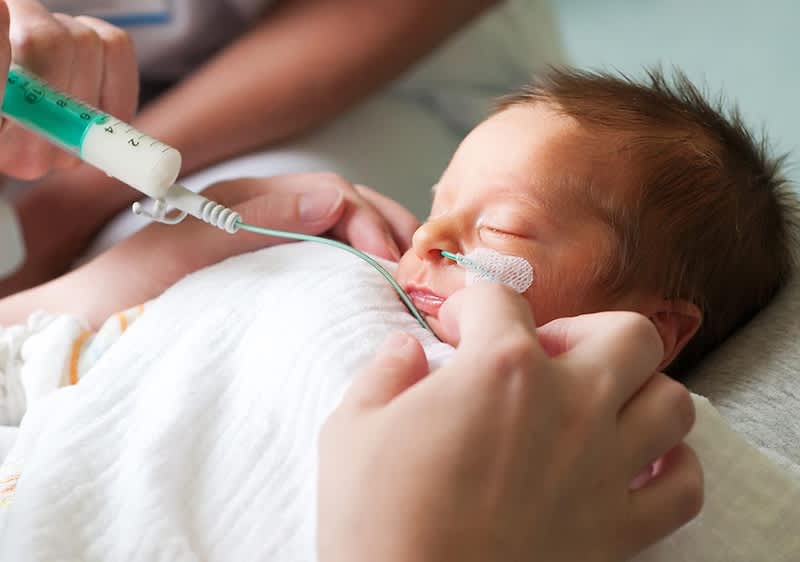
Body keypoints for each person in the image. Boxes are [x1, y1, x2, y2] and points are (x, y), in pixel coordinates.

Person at [0, 0, 525, 294]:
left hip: (361, 66)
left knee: (267, 286)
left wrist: (61, 211)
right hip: (37, 96)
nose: (431, 237)